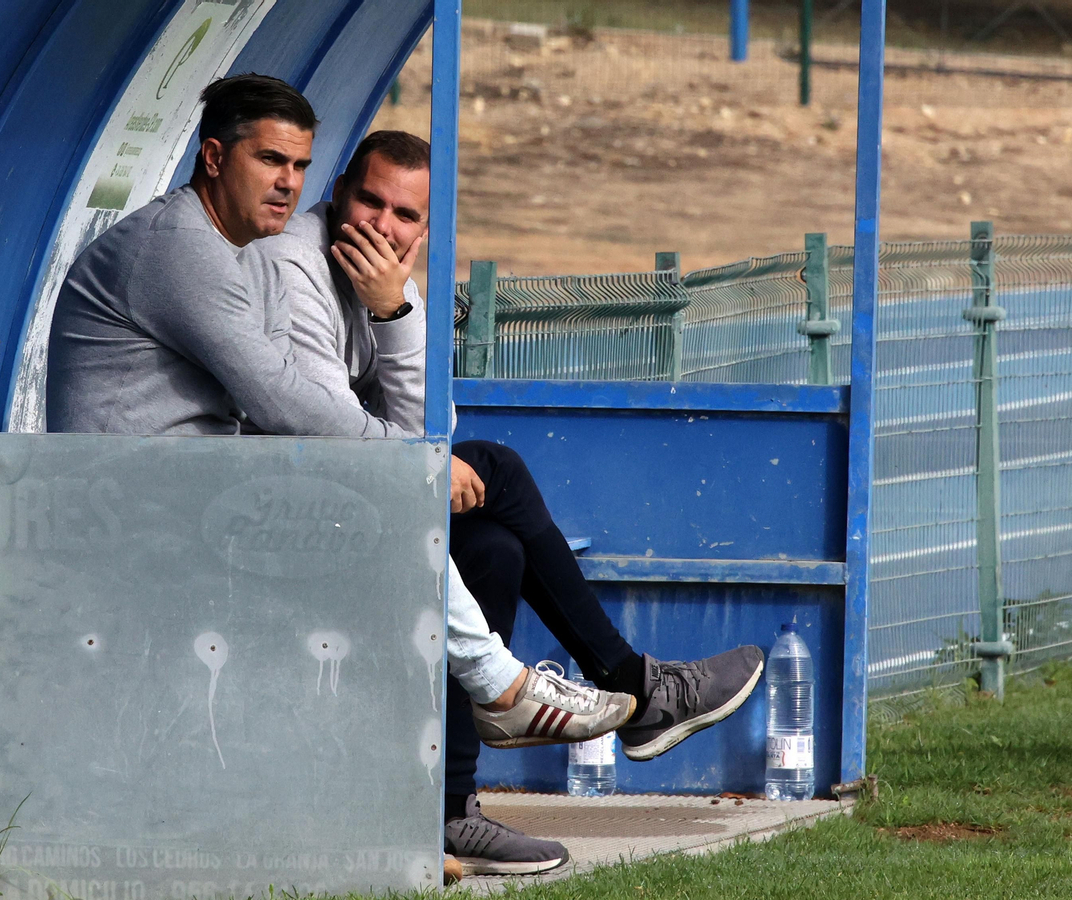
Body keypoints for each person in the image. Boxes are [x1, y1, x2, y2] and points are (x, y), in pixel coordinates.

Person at [43, 75, 636, 871]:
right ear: (214, 158)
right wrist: (409, 465)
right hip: (144, 521)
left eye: (299, 164)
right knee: (405, 489)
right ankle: (503, 692)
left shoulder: (238, 253)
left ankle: (443, 802)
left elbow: (350, 418)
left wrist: (397, 326)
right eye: (269, 160)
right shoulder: (182, 248)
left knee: (480, 537)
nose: (288, 181)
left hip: (196, 499)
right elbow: (289, 404)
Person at [242, 129, 767, 874]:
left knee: (494, 548)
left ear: (424, 229)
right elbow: (333, 436)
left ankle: (453, 813)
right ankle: (636, 687)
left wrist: (395, 314)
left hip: (350, 512)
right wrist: (401, 351)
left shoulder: (389, 282)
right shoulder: (293, 266)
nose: (383, 226)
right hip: (281, 522)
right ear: (337, 197)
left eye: (405, 215)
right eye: (369, 201)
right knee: (495, 466)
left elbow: (428, 427)